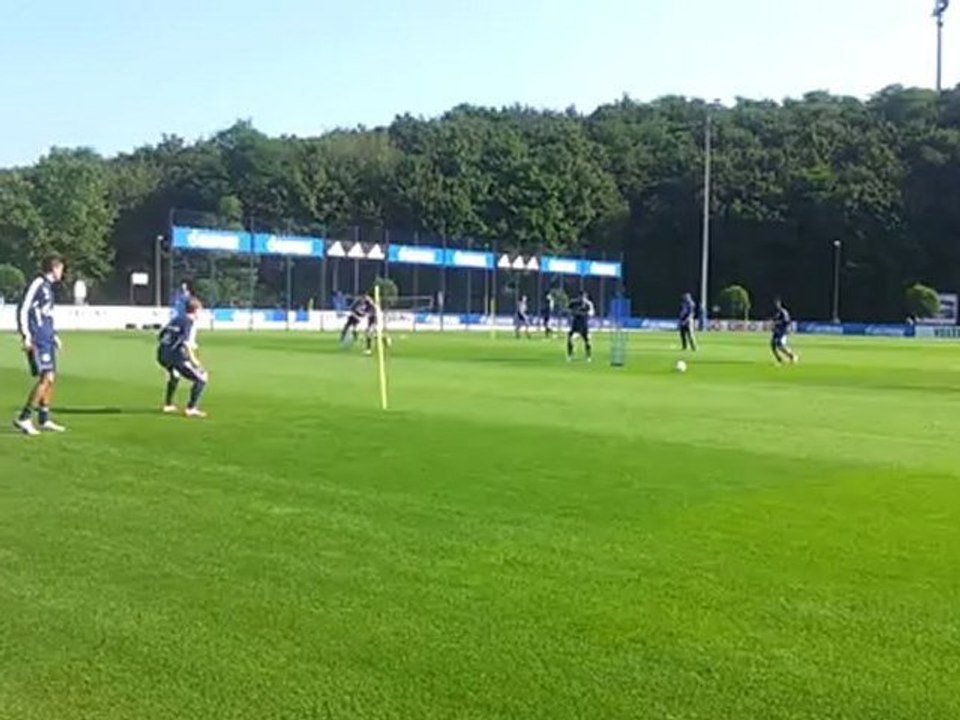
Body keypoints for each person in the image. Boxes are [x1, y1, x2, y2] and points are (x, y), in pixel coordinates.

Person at [14, 256, 67, 435]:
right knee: (45, 378)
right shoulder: (37, 283)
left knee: (50, 378)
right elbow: (23, 308)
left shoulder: (48, 288)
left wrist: (54, 336)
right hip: (37, 339)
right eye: (61, 269)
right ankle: (24, 417)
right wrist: (26, 335)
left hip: (46, 339)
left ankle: (43, 418)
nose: (63, 273)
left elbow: (46, 316)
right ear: (54, 268)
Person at [157, 298, 209, 417]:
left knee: (175, 375)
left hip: (162, 355)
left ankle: (168, 405)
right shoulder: (189, 322)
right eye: (200, 311)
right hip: (176, 357)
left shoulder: (176, 319)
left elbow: (161, 335)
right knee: (202, 378)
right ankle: (191, 408)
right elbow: (186, 343)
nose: (200, 314)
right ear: (196, 310)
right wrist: (193, 360)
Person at [567, 290, 595, 362]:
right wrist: (572, 314)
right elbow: (568, 309)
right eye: (581, 296)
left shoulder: (588, 304)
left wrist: (583, 314)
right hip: (575, 324)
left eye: (584, 297)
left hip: (584, 325)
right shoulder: (574, 303)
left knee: (587, 341)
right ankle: (570, 355)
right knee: (571, 339)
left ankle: (588, 356)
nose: (582, 298)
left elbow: (591, 313)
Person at [771, 298, 799, 364]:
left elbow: (786, 321)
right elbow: (774, 320)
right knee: (773, 344)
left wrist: (778, 323)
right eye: (775, 303)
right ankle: (778, 358)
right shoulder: (776, 312)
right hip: (777, 331)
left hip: (782, 331)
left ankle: (792, 356)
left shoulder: (783, 312)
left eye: (777, 303)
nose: (776, 305)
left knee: (780, 345)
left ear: (780, 304)